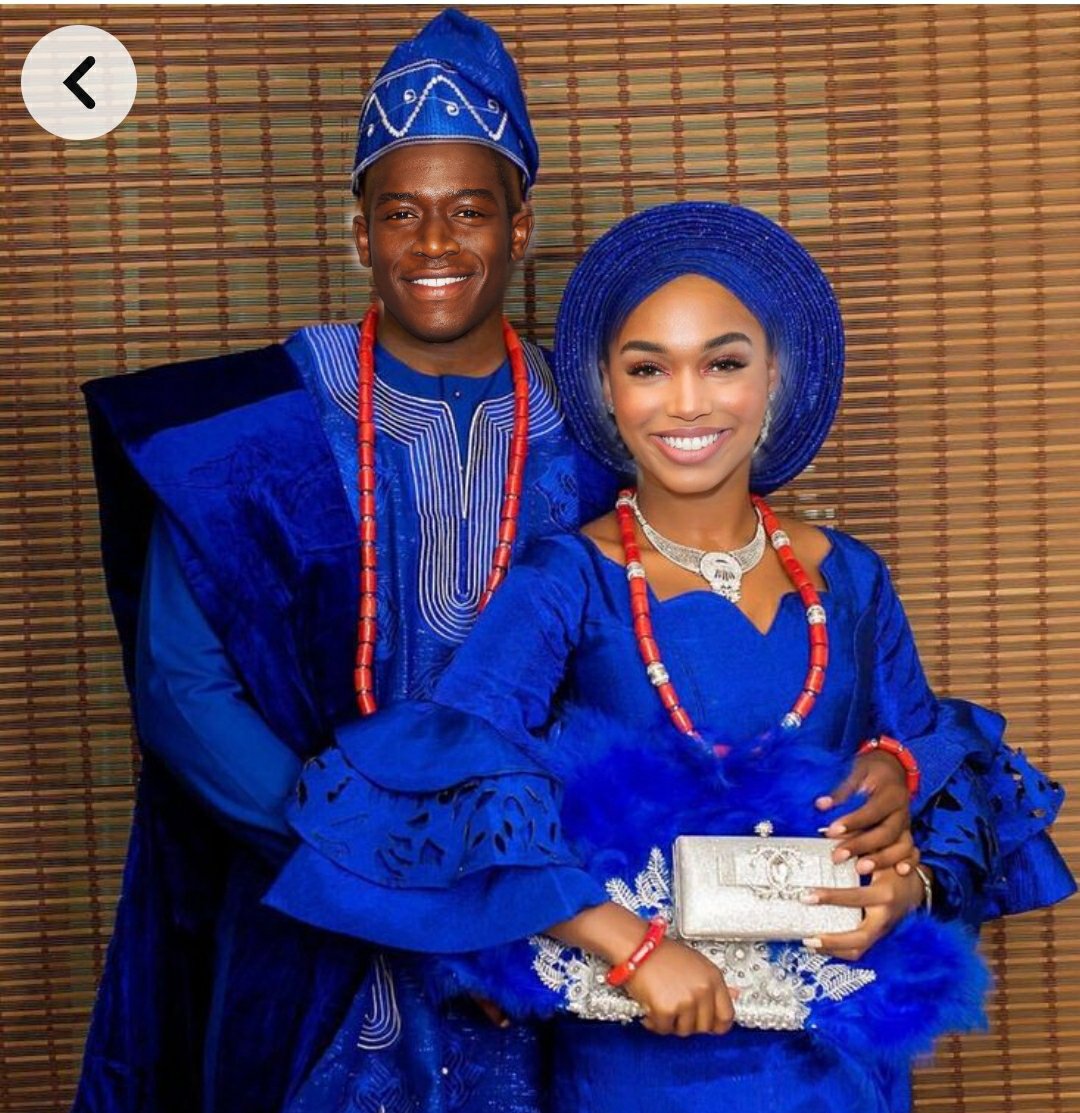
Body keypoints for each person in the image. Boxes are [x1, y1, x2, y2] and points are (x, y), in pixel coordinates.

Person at [266, 202, 1075, 1113]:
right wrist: (632, 946)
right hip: (637, 1054)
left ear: (775, 376)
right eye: (648, 367)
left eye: (723, 363)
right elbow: (453, 788)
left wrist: (907, 886)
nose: (687, 401)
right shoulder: (567, 577)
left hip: (840, 1065)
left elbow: (940, 782)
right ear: (607, 389)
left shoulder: (850, 578)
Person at [74, 11, 626, 1113]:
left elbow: (656, 679)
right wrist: (378, 870)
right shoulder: (254, 427)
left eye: (470, 210)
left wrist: (535, 902)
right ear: (358, 233)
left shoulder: (605, 430)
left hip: (552, 946)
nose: (435, 243)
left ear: (521, 227)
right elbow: (184, 692)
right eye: (402, 212)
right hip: (310, 928)